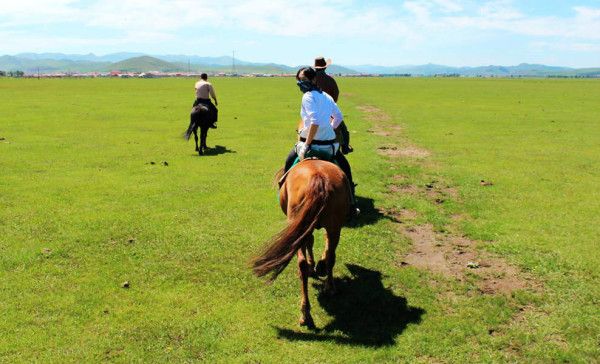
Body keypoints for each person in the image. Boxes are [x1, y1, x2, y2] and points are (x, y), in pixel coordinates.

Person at [283, 67, 358, 215]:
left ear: (313, 79)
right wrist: (330, 127)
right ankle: (352, 202)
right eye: (299, 80)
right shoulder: (327, 96)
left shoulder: (307, 96)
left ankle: (284, 194)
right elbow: (339, 117)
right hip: (330, 147)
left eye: (303, 80)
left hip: (312, 145)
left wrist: (308, 144)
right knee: (345, 168)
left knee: (289, 161)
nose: (300, 83)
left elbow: (314, 121)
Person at [313, 56, 353, 154]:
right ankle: (345, 148)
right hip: (329, 110)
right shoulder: (330, 79)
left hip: (313, 110)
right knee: (344, 131)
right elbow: (336, 93)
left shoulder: (311, 80)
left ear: (315, 68)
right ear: (325, 67)